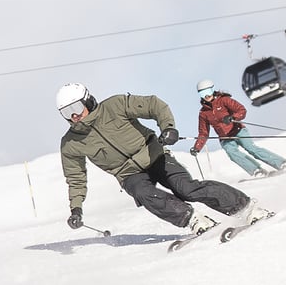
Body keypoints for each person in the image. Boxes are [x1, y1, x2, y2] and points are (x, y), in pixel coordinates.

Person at [54, 82, 263, 235]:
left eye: (76, 108)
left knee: (185, 188)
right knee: (144, 193)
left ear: (88, 100)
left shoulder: (115, 106)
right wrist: (76, 208)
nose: (74, 116)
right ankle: (193, 219)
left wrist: (168, 128)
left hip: (154, 154)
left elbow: (154, 105)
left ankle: (245, 207)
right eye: (67, 112)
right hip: (128, 174)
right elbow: (75, 177)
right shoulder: (71, 143)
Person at [190, 79, 286, 177]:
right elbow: (203, 133)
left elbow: (241, 110)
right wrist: (197, 148)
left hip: (238, 131)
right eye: (202, 93)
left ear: (213, 90)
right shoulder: (203, 113)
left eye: (208, 91)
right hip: (225, 138)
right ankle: (257, 170)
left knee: (251, 149)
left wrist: (232, 117)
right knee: (232, 153)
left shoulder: (224, 100)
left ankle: (281, 164)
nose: (206, 95)